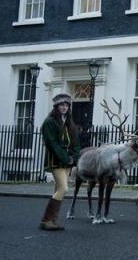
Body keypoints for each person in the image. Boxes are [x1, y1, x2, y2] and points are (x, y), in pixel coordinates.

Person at [39, 93, 81, 230]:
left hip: (67, 160)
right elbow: (52, 143)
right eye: (61, 105)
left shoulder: (69, 122)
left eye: (66, 105)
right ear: (56, 106)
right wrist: (66, 158)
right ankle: (46, 220)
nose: (64, 107)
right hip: (56, 160)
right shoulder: (49, 122)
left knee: (58, 189)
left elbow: (75, 143)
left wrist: (74, 157)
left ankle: (53, 220)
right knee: (64, 188)